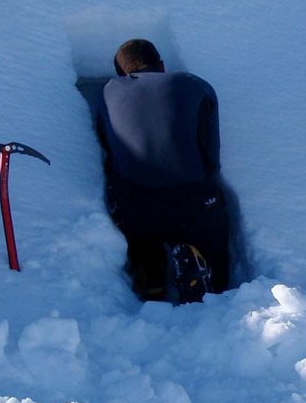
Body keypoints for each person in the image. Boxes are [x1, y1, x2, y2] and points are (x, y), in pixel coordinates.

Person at [96, 38, 231, 301]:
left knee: (137, 229)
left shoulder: (107, 93)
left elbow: (109, 147)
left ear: (123, 74)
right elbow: (209, 153)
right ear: (162, 65)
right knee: (212, 239)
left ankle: (150, 270)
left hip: (136, 205)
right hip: (193, 203)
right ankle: (208, 277)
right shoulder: (195, 86)